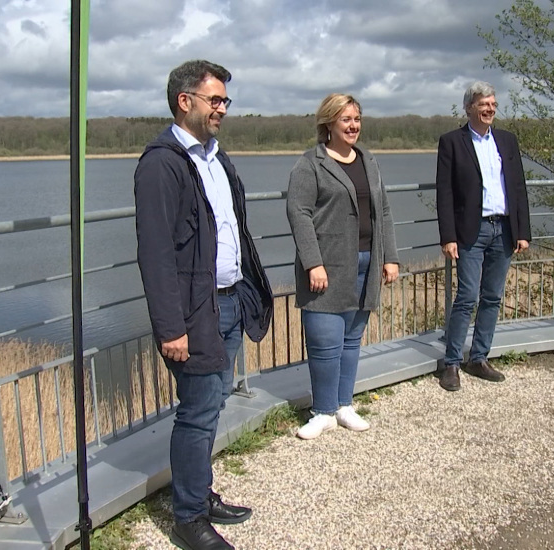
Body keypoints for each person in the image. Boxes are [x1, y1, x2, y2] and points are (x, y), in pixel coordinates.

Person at [134, 59, 273, 550]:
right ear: (184, 101)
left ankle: (200, 492)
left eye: (225, 101)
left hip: (229, 300)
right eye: (215, 100)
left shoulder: (216, 157)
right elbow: (154, 253)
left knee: (212, 404)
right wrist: (171, 327)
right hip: (194, 312)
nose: (222, 109)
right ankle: (189, 517)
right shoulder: (162, 164)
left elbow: (232, 227)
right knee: (196, 411)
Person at [287, 93, 399, 439]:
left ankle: (343, 405)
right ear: (329, 123)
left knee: (351, 341)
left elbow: (384, 210)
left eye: (357, 119)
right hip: (326, 266)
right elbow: (298, 213)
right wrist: (313, 263)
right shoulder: (311, 163)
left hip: (366, 261)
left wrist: (389, 256)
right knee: (325, 341)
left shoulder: (369, 160)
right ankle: (322, 411)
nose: (353, 126)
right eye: (346, 119)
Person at [436, 81, 531, 392]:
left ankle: (479, 358)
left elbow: (518, 188)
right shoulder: (452, 142)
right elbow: (445, 193)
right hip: (470, 231)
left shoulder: (507, 140)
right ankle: (451, 363)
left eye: (493, 104)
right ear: (469, 108)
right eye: (483, 104)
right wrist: (448, 236)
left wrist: (522, 231)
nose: (490, 109)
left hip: (503, 229)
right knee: (466, 297)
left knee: (492, 297)